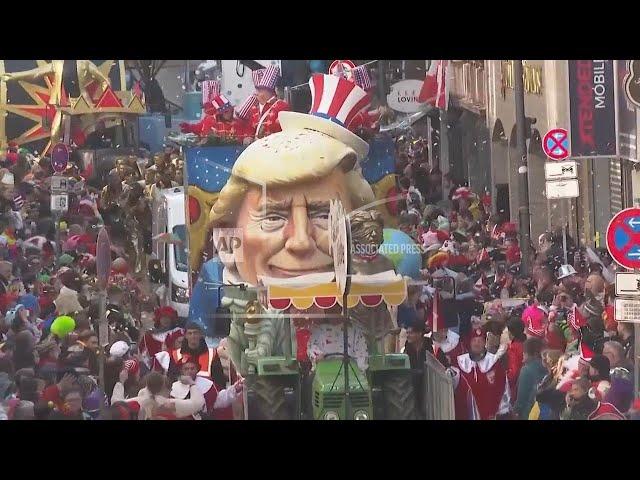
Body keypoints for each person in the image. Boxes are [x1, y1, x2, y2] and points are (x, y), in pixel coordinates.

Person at [450, 327, 511, 420]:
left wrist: (503, 410)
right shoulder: (460, 361)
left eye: (480, 340)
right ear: (470, 343)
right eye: (474, 340)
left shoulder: (494, 362)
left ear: (484, 343)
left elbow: (503, 386)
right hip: (463, 414)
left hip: (488, 415)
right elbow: (451, 384)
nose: (477, 343)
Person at [169, 357, 243, 420]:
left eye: (192, 368)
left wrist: (234, 389)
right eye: (186, 369)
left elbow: (219, 401)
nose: (190, 371)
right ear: (181, 371)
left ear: (197, 369)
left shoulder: (207, 384)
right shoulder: (174, 387)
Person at [236, 65, 290, 141]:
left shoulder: (281, 106)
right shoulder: (254, 108)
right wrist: (248, 137)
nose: (256, 93)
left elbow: (282, 129)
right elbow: (249, 128)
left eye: (259, 90)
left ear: (268, 91)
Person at [513, 338, 546, 419]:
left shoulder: (526, 370)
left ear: (533, 354)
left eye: (525, 352)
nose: (523, 354)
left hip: (528, 413)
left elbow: (522, 397)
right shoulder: (547, 367)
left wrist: (515, 412)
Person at [505, 317, 526, 401]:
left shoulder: (514, 348)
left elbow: (514, 372)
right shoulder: (525, 343)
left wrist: (504, 380)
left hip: (516, 387)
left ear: (511, 333)